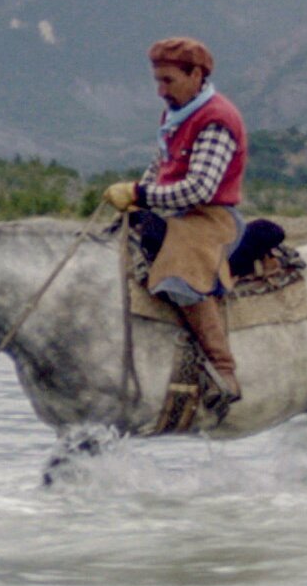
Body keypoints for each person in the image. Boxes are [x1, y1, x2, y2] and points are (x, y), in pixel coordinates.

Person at [103, 35, 246, 404]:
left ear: (196, 74)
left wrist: (140, 194)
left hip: (209, 218)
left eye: (168, 80)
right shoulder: (175, 114)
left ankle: (222, 369)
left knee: (180, 279)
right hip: (177, 214)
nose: (160, 90)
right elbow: (161, 166)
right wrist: (140, 198)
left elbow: (199, 188)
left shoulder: (217, 119)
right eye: (157, 81)